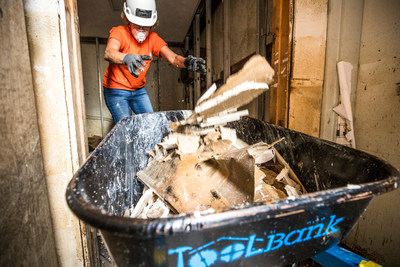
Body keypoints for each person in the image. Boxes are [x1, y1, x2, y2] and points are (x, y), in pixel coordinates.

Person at [103, 0, 206, 124]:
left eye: (145, 26)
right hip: (116, 90)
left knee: (152, 123)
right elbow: (109, 53)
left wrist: (187, 62)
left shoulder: (153, 39)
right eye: (137, 25)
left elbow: (173, 58)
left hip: (138, 90)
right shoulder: (119, 33)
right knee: (125, 127)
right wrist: (126, 58)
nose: (141, 30)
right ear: (128, 20)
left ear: (152, 24)